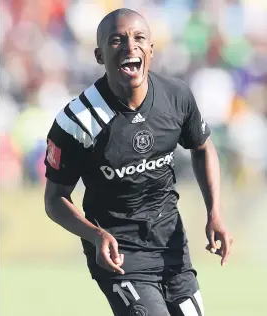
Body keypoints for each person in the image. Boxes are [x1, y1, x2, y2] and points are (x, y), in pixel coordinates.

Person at [44, 8, 233, 316]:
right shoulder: (77, 120)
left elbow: (203, 147)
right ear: (100, 55)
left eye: (139, 38)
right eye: (116, 40)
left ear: (151, 50)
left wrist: (215, 213)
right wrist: (95, 234)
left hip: (171, 246)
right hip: (117, 252)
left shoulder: (176, 95)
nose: (130, 47)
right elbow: (54, 199)